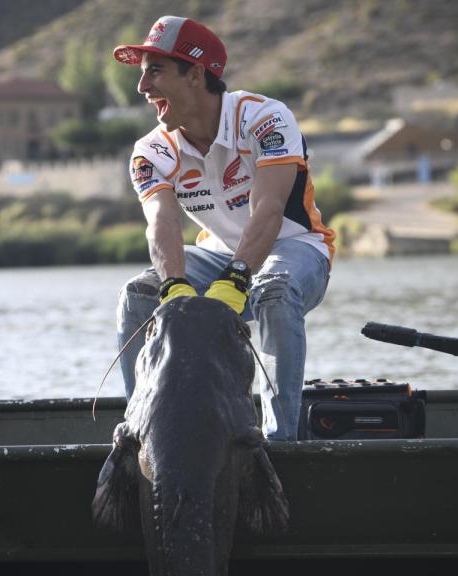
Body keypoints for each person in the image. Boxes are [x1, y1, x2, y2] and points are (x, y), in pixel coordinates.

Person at [112, 16, 335, 440]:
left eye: (155, 71)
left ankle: (279, 439)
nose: (142, 88)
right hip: (215, 255)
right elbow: (161, 222)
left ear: (196, 74)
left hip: (297, 248)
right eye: (142, 74)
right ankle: (143, 434)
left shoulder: (267, 118)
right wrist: (173, 283)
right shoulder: (151, 151)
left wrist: (237, 277)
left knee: (272, 289)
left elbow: (268, 209)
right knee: (136, 296)